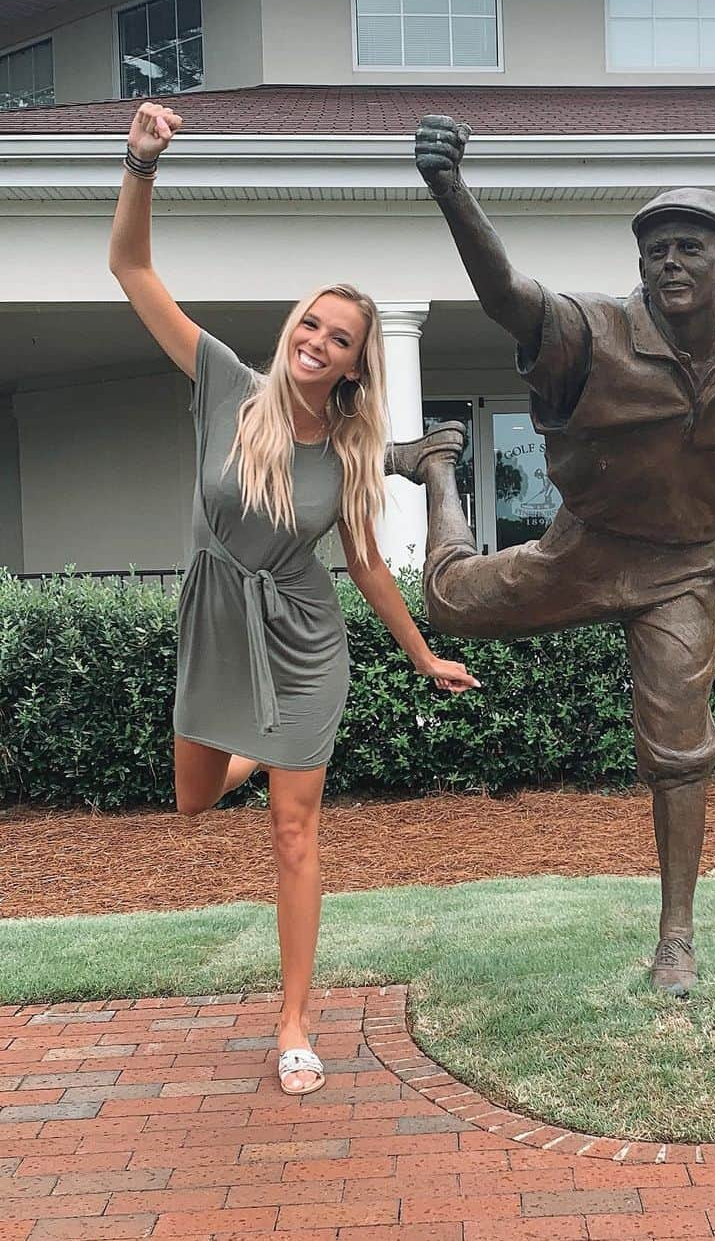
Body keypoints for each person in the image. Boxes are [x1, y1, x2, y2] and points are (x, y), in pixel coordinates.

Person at [402, 114, 715, 997]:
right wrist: (452, 192)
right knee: (444, 604)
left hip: (681, 567)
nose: (668, 263)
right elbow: (508, 298)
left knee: (681, 750)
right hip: (585, 552)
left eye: (687, 248)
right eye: (654, 251)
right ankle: (442, 465)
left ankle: (677, 939)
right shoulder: (593, 332)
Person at [108, 102, 479, 1095]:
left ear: (359, 362)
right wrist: (141, 166)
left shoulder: (352, 455)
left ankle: (294, 1021)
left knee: (295, 830)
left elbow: (364, 570)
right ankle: (252, 756)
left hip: (307, 641)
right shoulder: (225, 382)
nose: (318, 341)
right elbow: (133, 274)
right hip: (217, 622)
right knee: (192, 798)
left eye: (340, 336)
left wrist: (420, 654)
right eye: (311, 324)